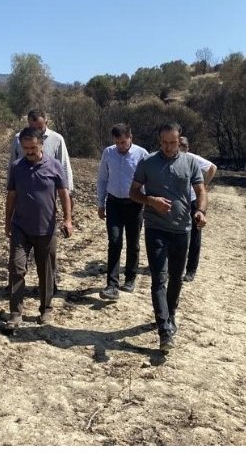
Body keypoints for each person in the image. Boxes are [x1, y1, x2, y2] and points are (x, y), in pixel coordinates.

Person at [129, 123, 207, 352]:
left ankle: (170, 314)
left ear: (179, 139)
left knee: (176, 278)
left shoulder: (190, 162)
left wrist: (200, 211)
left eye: (173, 142)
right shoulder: (148, 162)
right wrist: (151, 201)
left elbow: (201, 191)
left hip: (182, 230)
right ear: (159, 140)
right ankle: (164, 329)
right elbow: (133, 192)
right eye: (164, 142)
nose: (168, 147)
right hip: (155, 228)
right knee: (158, 278)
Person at [2, 127, 74, 330]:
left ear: (41, 144)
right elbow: (11, 195)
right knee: (16, 269)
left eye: (33, 147)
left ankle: (46, 308)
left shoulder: (55, 166)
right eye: (25, 148)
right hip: (20, 227)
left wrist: (68, 219)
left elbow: (63, 194)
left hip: (46, 229)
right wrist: (7, 221)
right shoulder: (16, 167)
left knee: (46, 271)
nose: (29, 151)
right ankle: (16, 313)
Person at [10, 109, 74, 287]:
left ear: (46, 121)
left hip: (48, 193)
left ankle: (48, 284)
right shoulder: (17, 139)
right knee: (18, 256)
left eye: (39, 126)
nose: (36, 129)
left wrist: (69, 197)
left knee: (47, 250)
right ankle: (16, 286)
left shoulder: (57, 139)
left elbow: (64, 166)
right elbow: (12, 164)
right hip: (24, 193)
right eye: (32, 126)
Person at [96, 123, 148, 300]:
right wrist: (100, 203)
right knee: (115, 241)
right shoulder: (108, 153)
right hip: (113, 203)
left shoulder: (142, 154)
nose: (121, 146)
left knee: (133, 243)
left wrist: (148, 203)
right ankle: (112, 284)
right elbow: (102, 178)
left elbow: (148, 181)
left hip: (134, 204)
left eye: (124, 142)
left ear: (130, 138)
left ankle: (130, 278)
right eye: (117, 143)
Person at [178, 136, 217, 283]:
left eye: (184, 146)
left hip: (193, 201)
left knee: (195, 236)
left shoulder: (192, 159)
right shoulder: (169, 158)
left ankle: (191, 270)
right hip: (177, 202)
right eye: (179, 145)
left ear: (188, 147)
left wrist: (204, 185)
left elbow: (212, 168)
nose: (181, 148)